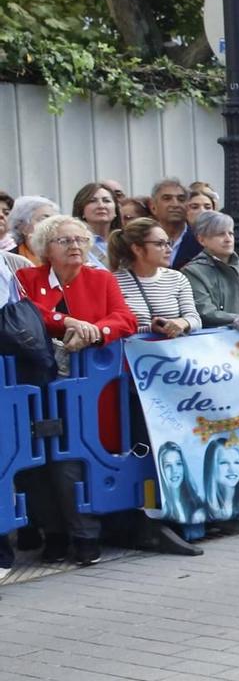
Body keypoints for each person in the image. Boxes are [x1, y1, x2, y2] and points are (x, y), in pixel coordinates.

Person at [15, 215, 141, 565]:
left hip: (85, 391)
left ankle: (84, 535)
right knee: (38, 460)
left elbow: (125, 319)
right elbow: (26, 315)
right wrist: (68, 321)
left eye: (80, 240)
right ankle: (53, 534)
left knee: (72, 458)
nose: (75, 246)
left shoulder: (101, 279)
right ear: (45, 249)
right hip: (36, 386)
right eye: (64, 241)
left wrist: (96, 331)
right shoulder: (28, 278)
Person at [110, 218, 199, 338]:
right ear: (137, 249)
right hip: (130, 353)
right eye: (160, 244)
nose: (169, 250)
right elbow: (113, 327)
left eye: (168, 243)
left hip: (172, 352)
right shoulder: (113, 282)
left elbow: (194, 318)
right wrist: (149, 329)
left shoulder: (177, 278)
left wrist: (182, 323)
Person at [153, 442, 207, 529]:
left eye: (178, 464)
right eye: (168, 466)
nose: (174, 471)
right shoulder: (163, 510)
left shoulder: (198, 503)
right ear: (161, 469)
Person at [71, 183, 117, 267]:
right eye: (92, 201)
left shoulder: (126, 242)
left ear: (116, 210)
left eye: (106, 201)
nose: (101, 206)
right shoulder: (74, 243)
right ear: (81, 210)